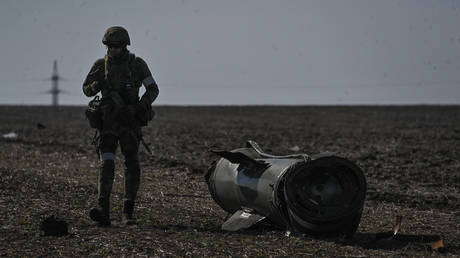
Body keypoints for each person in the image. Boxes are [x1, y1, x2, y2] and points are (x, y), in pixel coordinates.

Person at [82, 26, 159, 226]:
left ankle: (128, 213)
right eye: (110, 46)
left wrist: (139, 107)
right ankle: (103, 210)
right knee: (106, 163)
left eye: (117, 46)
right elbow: (86, 89)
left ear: (125, 46)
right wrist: (96, 86)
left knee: (132, 164)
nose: (114, 50)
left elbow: (153, 89)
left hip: (129, 124)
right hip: (108, 124)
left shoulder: (137, 64)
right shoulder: (100, 65)